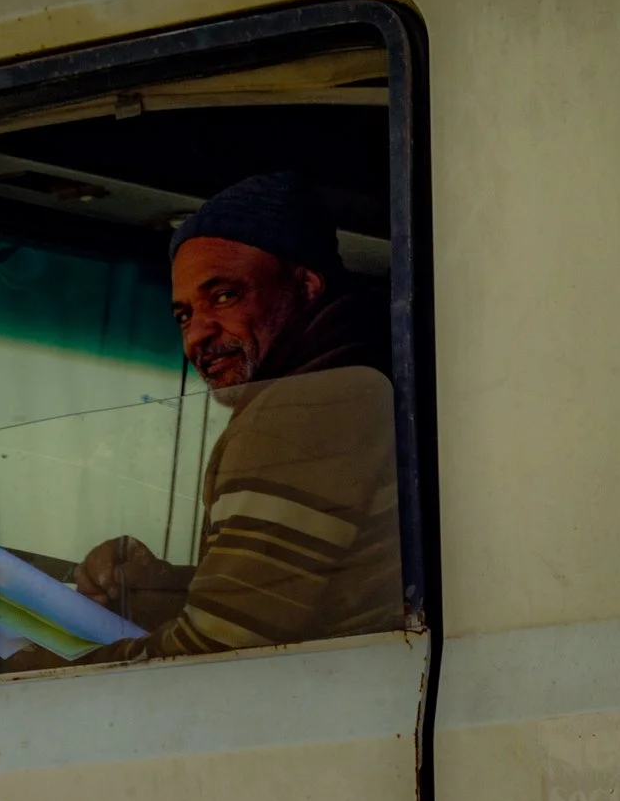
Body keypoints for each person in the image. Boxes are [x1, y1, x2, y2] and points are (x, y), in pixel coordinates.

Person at [45, 171, 404, 662]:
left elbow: (217, 657)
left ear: (305, 286)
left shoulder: (308, 405)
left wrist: (43, 670)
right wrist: (161, 588)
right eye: (184, 315)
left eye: (224, 296)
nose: (197, 336)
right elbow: (303, 606)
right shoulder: (357, 384)